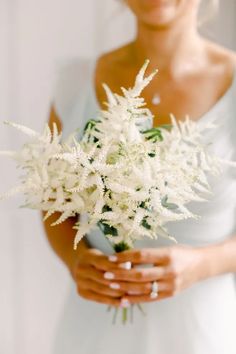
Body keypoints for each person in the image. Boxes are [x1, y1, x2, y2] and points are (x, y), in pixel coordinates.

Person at [43, 0, 236, 353]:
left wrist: (202, 264)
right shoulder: (75, 82)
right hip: (93, 331)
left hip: (201, 333)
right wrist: (76, 262)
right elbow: (54, 205)